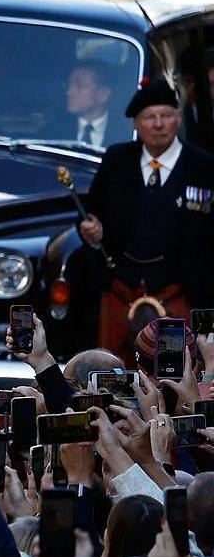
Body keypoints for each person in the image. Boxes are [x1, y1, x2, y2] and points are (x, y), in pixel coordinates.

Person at [80, 79, 214, 358]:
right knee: (114, 376)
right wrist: (91, 232)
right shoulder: (117, 160)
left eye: (165, 116)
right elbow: (90, 214)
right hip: (121, 290)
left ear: (178, 119)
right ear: (136, 124)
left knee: (175, 377)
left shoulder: (204, 166)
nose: (158, 124)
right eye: (150, 117)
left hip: (181, 292)